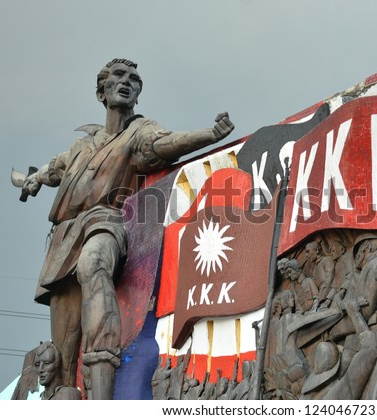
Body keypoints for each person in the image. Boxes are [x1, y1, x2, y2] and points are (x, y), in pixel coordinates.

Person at [17, 58, 234, 399]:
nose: (128, 82)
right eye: (119, 76)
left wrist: (209, 134)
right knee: (62, 356)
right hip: (63, 239)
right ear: (102, 91)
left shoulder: (139, 131)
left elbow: (164, 145)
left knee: (94, 263)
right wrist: (31, 180)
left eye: (135, 79)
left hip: (107, 222)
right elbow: (52, 170)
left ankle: (105, 396)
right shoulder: (82, 146)